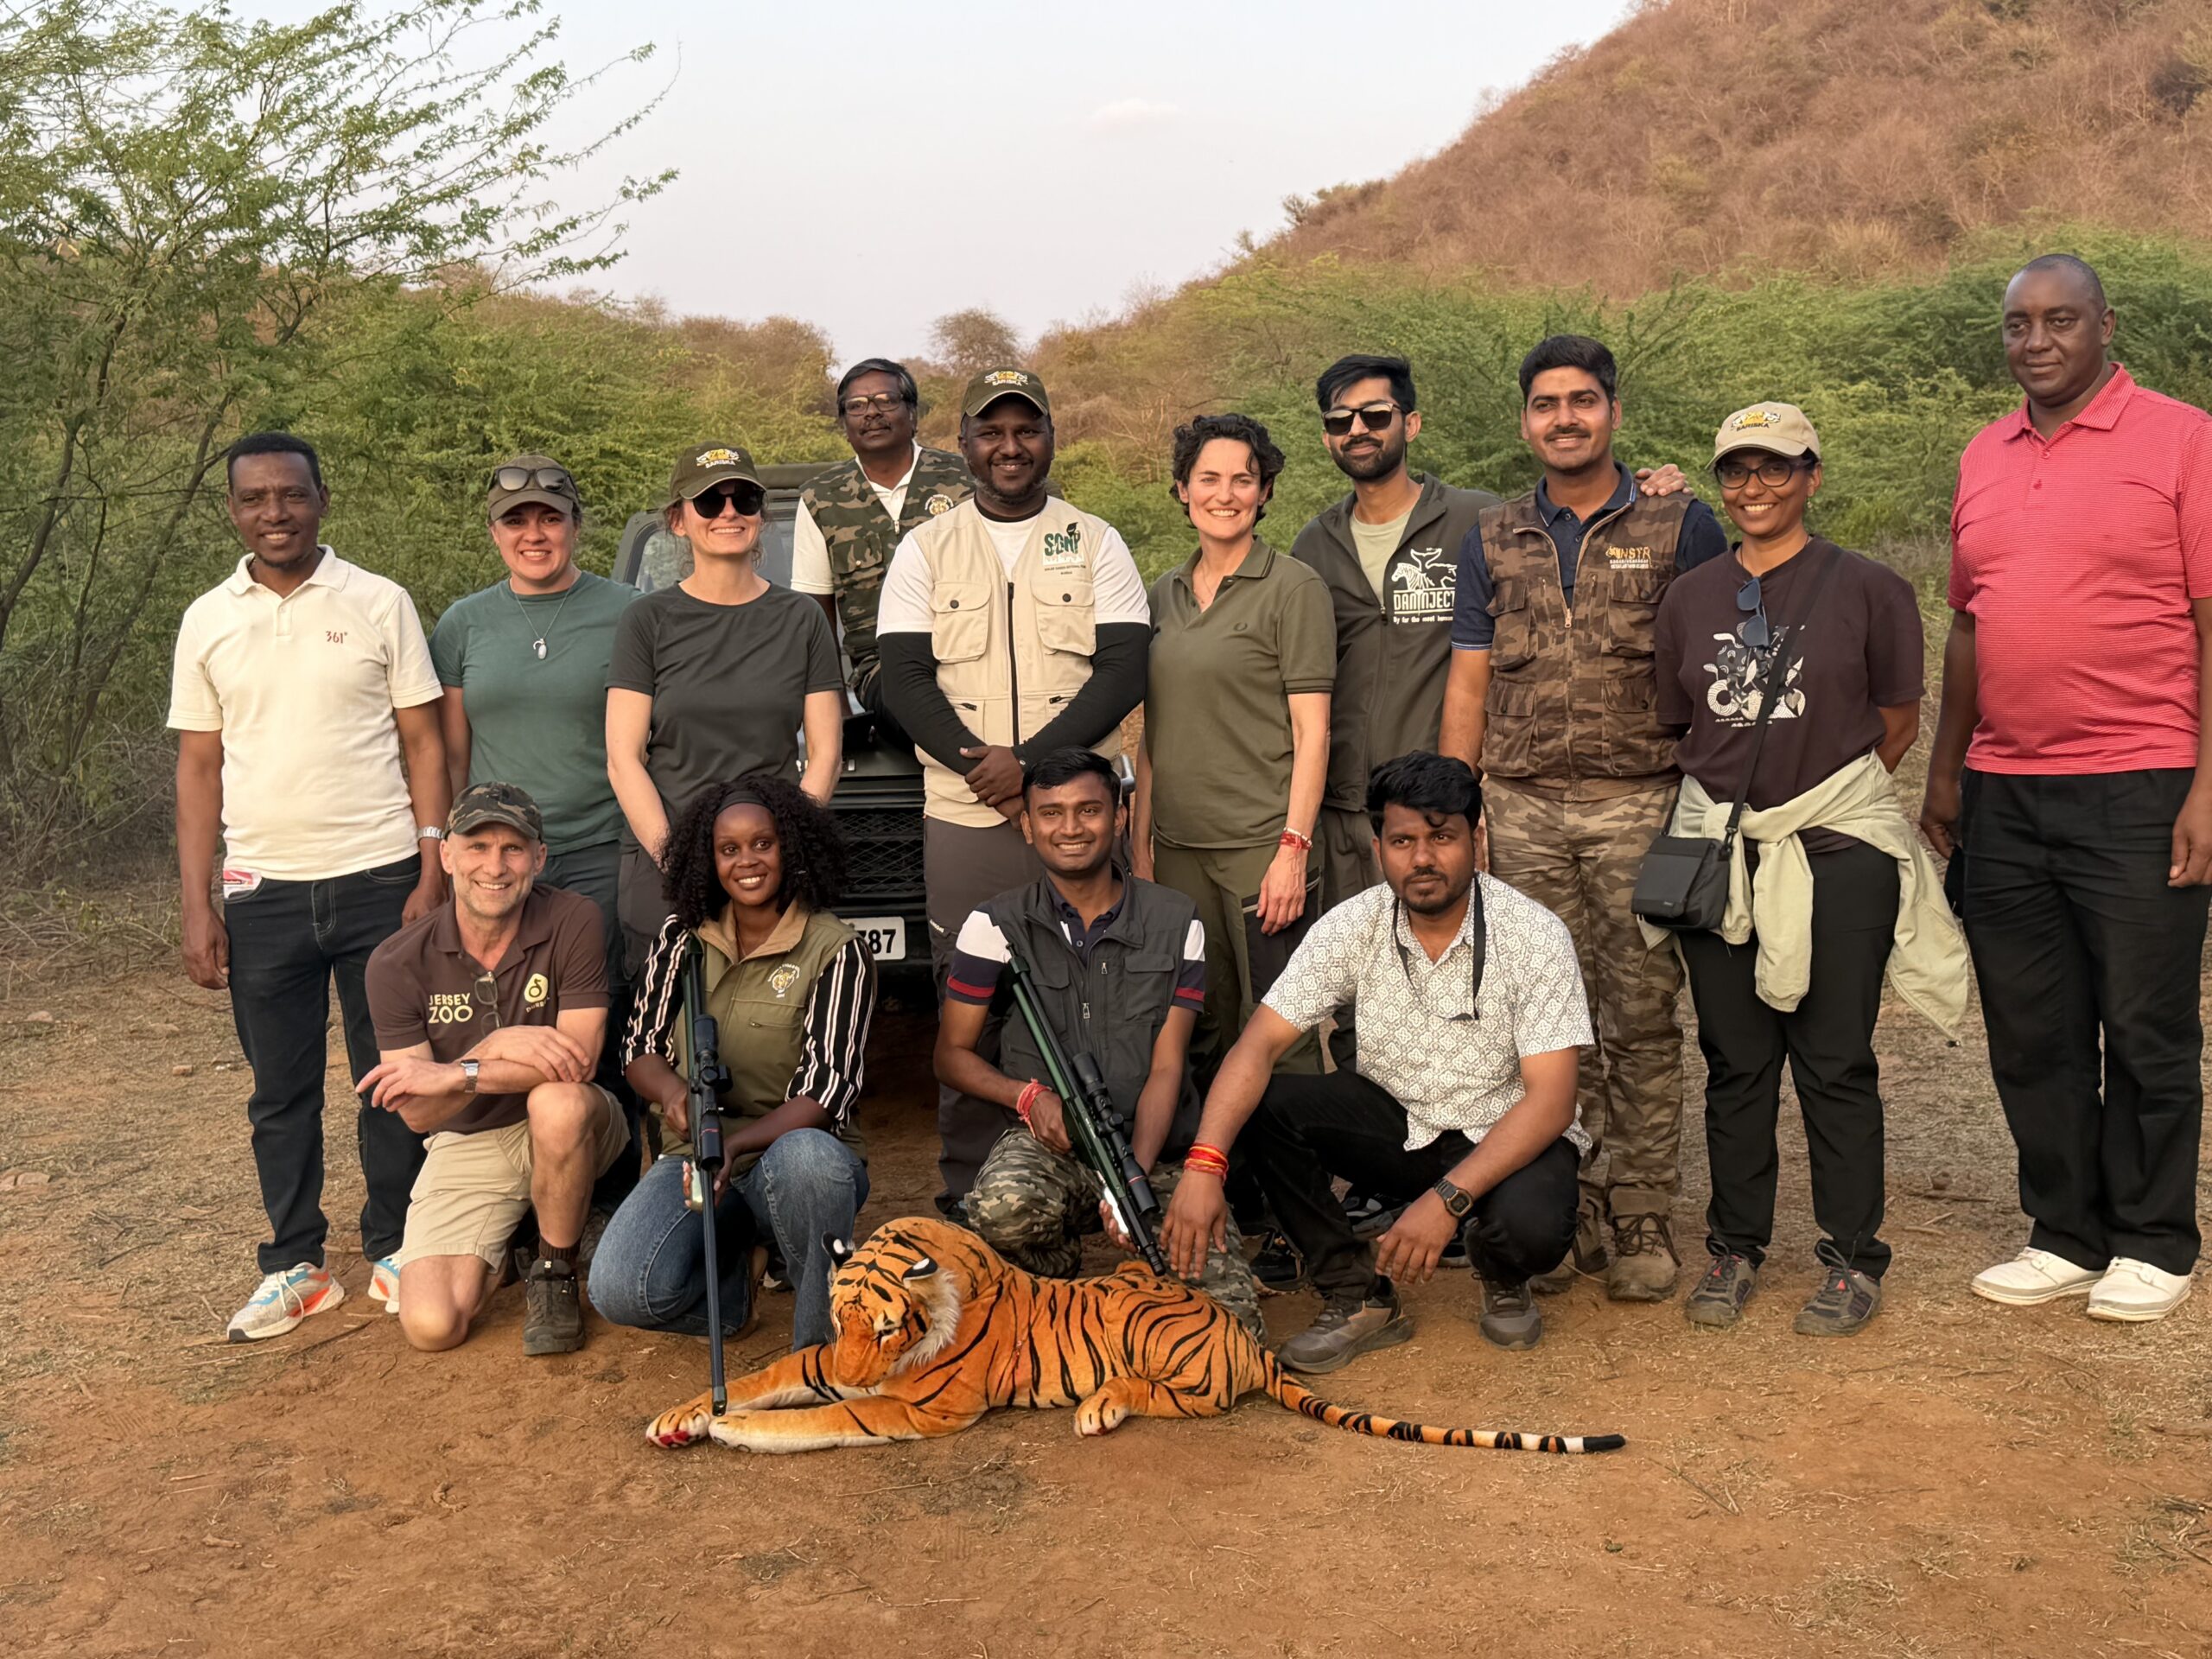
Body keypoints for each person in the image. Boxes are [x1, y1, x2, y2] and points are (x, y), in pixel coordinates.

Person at [1923, 253, 2212, 1325]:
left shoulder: (2182, 440)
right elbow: (1968, 624)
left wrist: (2207, 788)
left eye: (2059, 321)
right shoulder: (1983, 454)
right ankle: (2064, 1232)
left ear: (2104, 324)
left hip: (2142, 782)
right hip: (2005, 788)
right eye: (2017, 324)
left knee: (2142, 1025)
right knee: (2031, 1027)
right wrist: (1945, 772)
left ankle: (2152, 1240)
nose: (2035, 342)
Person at [1651, 403, 1962, 1336]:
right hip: (1720, 859)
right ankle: (1735, 1246)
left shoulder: (1869, 588)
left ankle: (1852, 1256)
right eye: (1736, 470)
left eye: (1776, 467)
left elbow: (1896, 722)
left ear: (1812, 477)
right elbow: (1682, 725)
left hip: (1836, 855)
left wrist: (1811, 805)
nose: (1755, 487)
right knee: (1735, 1062)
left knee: (1835, 1061)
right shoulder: (1688, 598)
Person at [1437, 334, 1729, 1304]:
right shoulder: (1493, 536)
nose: (1564, 418)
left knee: (1639, 1014)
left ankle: (1640, 1208)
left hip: (1638, 804)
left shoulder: (1680, 523)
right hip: (1520, 809)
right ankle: (1569, 1206)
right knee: (1548, 1022)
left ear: (1613, 410)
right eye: (1546, 404)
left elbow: (1718, 664)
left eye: (1582, 401)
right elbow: (1469, 681)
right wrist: (1459, 807)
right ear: (1525, 421)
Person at [1160, 753, 1594, 1371]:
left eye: (1442, 837)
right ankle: (1356, 1293)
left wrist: (1444, 1203)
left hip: (1504, 1132)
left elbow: (1551, 1102)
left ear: (1476, 841)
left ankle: (1501, 1271)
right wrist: (1204, 1166)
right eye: (1402, 841)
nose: (1422, 859)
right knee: (1267, 1106)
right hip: (1400, 1126)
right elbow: (1257, 1044)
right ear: (1377, 848)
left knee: (1533, 1228)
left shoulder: (1534, 934)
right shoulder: (1353, 924)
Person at [170, 431, 450, 1343]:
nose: (275, 513)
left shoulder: (378, 601)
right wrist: (197, 902)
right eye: (254, 498)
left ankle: (397, 1245)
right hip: (264, 891)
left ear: (322, 499)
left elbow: (423, 742)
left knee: (393, 1076)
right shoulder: (208, 619)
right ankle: (296, 1265)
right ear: (231, 511)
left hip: (381, 878)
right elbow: (200, 766)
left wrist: (432, 864)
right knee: (279, 1092)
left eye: (291, 494)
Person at [876, 367, 1152, 1213]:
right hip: (965, 815)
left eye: (1025, 430)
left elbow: (1123, 668)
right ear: (963, 444)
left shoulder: (1095, 541)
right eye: (991, 432)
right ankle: (970, 1189)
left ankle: (1107, 1179)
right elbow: (903, 678)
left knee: (1097, 993)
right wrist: (985, 770)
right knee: (971, 998)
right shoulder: (926, 548)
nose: (1009, 447)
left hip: (1076, 817)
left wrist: (1030, 771)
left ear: (1050, 439)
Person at [942, 748, 1264, 1340]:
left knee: (1232, 1332)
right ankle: (1057, 1280)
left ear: (1119, 817)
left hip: (1155, 1152)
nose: (1070, 827)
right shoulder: (993, 925)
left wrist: (1131, 1183)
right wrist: (1026, 1097)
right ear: (1028, 825)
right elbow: (951, 1056)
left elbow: (1168, 1067)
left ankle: (1139, 1276)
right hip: (1052, 1148)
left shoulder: (1177, 920)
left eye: (1089, 810)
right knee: (1002, 1208)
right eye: (1052, 813)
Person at [590, 774, 875, 1351]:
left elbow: (826, 1094)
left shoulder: (836, 949)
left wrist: (737, 1147)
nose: (747, 861)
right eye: (729, 849)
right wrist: (675, 1095)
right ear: (709, 859)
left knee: (810, 1162)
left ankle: (817, 1351)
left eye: (762, 844)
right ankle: (733, 1290)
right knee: (620, 1290)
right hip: (695, 1156)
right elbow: (639, 1047)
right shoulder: (682, 938)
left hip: (787, 1157)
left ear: (790, 847)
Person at [360, 784, 627, 1356]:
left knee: (557, 1102)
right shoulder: (395, 961)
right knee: (431, 1326)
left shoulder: (574, 918)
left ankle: (554, 1273)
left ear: (539, 858)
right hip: (467, 1141)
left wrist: (455, 1074)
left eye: (513, 848)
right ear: (446, 855)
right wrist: (498, 1044)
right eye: (477, 846)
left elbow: (577, 1062)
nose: (495, 866)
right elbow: (418, 1115)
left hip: (573, 1123)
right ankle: (513, 1239)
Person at [1133, 413, 1335, 1080]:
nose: (1225, 494)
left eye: (1243, 480)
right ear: (1182, 489)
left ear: (1265, 491)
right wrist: (1142, 850)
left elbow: (1313, 732)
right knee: (1198, 1025)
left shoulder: (1294, 588)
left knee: (1281, 1030)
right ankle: (1215, 1150)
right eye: (1208, 478)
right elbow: (1154, 733)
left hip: (1261, 849)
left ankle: (1291, 1154)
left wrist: (1293, 850)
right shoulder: (1161, 595)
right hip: (1179, 851)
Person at [607, 442, 843, 978]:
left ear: (760, 514)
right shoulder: (646, 620)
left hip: (769, 867)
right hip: (667, 861)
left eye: (745, 499)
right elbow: (623, 759)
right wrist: (681, 862)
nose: (729, 513)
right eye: (710, 502)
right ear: (678, 521)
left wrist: (784, 852)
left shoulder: (802, 617)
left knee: (769, 1019)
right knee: (670, 1019)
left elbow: (826, 754)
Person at [1286, 355, 1499, 918]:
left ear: (1411, 423)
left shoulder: (1477, 520)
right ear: (1327, 438)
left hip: (1442, 809)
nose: (1357, 429)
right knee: (1358, 964)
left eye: (1376, 414)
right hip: (1345, 813)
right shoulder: (1313, 545)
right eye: (1340, 420)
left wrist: (1647, 491)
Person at [791, 358, 974, 741]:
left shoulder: (966, 481)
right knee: (914, 706)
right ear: (844, 424)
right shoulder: (820, 500)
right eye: (856, 406)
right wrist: (838, 713)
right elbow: (816, 620)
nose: (871, 413)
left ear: (913, 414)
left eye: (886, 400)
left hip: (972, 655)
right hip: (882, 670)